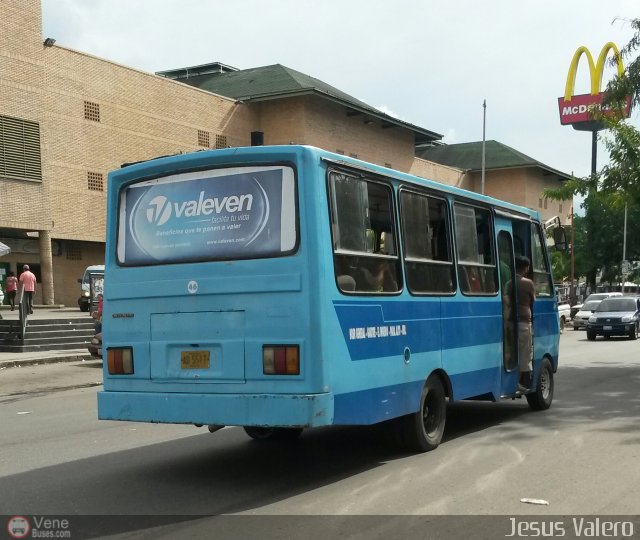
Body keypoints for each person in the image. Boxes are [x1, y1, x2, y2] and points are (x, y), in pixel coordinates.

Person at [514, 255, 536, 392]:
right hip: (523, 323)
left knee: (513, 354)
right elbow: (533, 300)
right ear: (526, 268)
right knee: (524, 354)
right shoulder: (528, 283)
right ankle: (518, 382)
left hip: (510, 324)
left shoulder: (509, 283)